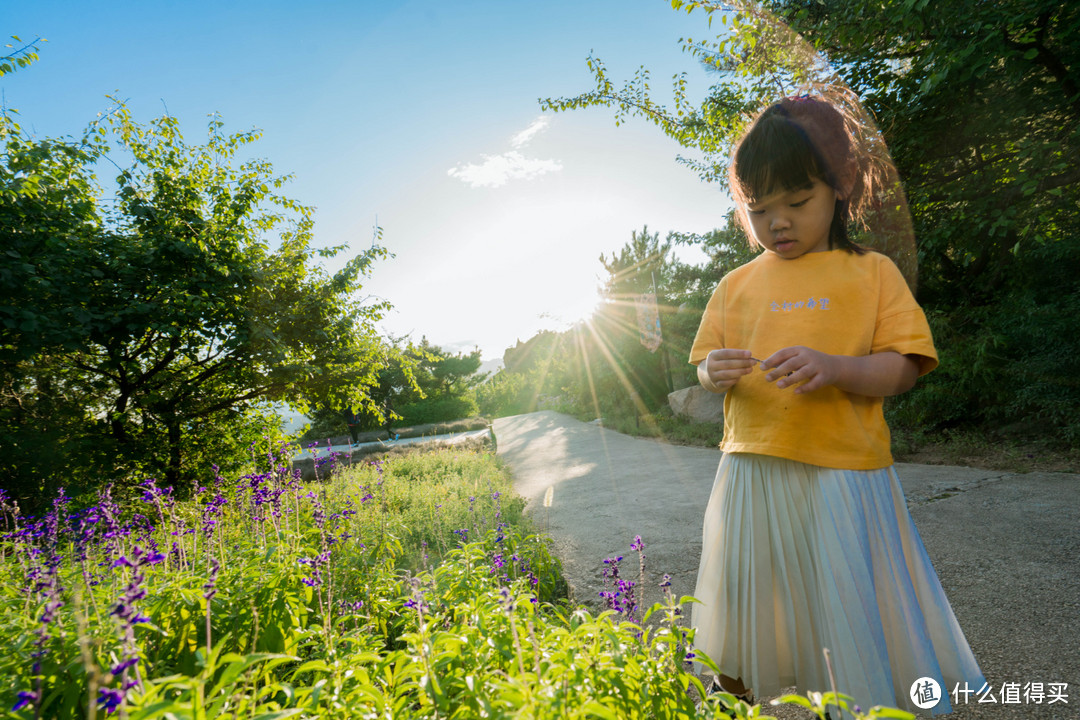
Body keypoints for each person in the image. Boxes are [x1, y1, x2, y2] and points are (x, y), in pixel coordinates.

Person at [688, 95, 984, 715]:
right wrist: (713, 370)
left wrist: (838, 368)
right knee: (747, 605)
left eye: (796, 202)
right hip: (751, 471)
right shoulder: (733, 285)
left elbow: (904, 368)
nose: (778, 224)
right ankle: (732, 698)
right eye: (759, 208)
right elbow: (706, 364)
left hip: (842, 476)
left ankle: (855, 704)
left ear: (840, 184)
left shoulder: (872, 273)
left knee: (845, 608)